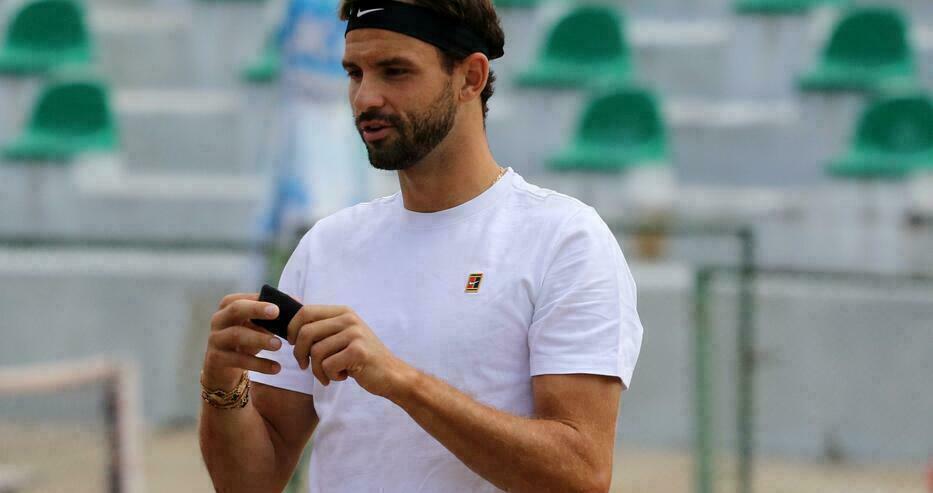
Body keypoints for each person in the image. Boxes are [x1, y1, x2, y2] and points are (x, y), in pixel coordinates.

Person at [199, 1, 644, 491]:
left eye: (395, 71)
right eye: (354, 73)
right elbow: (251, 482)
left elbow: (581, 475)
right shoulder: (325, 246)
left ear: (471, 78)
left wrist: (399, 381)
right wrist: (222, 387)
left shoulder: (566, 240)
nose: (366, 98)